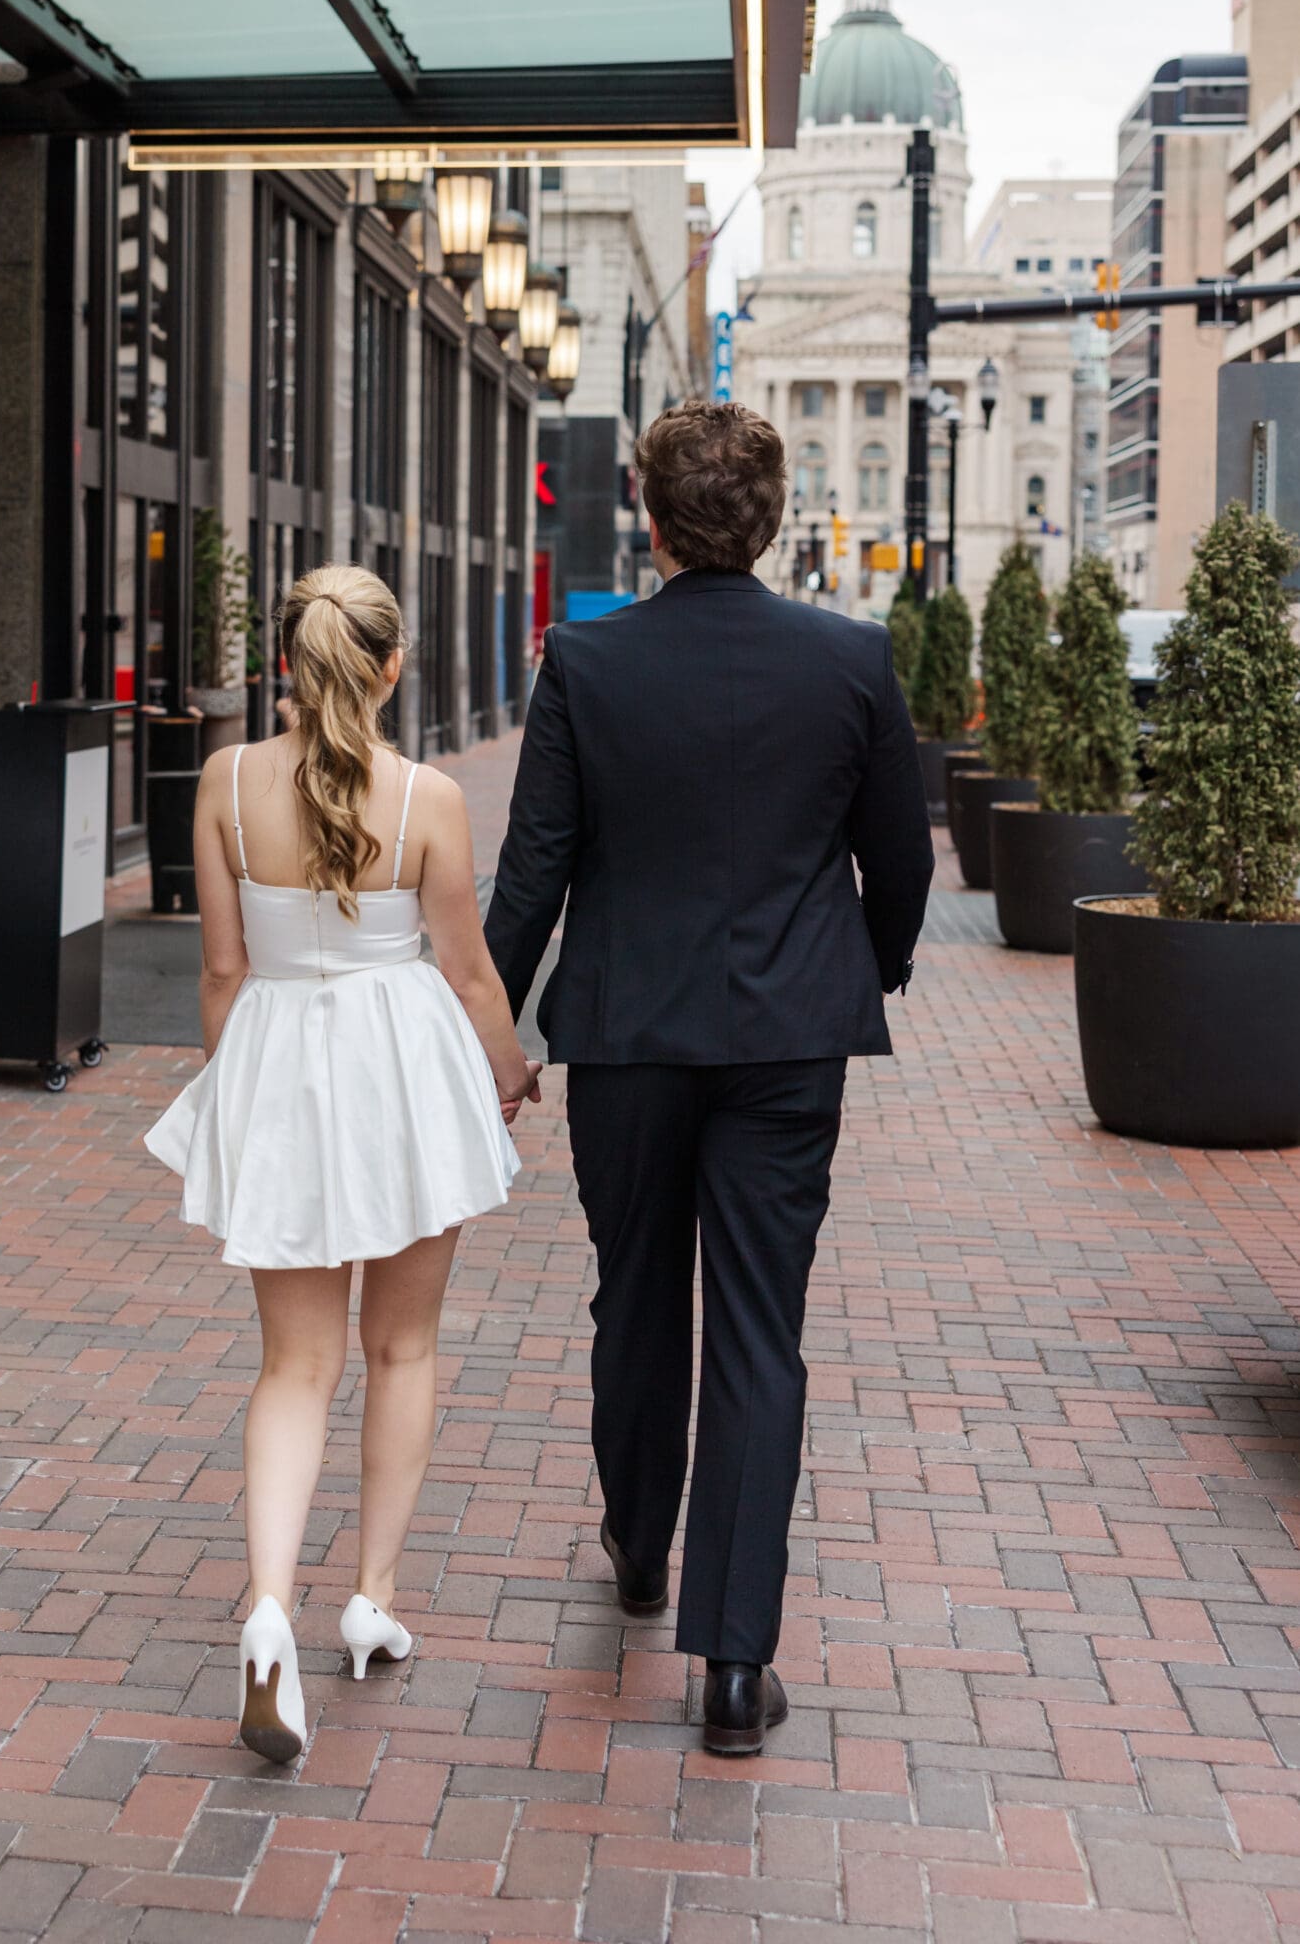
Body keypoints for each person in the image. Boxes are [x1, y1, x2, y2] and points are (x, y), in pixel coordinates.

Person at [484, 400, 933, 1757]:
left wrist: (481, 1028)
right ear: (774, 516)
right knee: (755, 1326)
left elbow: (533, 868)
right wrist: (864, 968)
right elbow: (899, 857)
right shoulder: (849, 659)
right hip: (787, 1040)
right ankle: (734, 1667)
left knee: (633, 1291)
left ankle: (637, 1545)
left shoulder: (586, 662)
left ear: (648, 512)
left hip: (625, 1035)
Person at [145, 565, 539, 1764]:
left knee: (293, 1364)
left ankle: (268, 1608)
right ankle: (370, 1598)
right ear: (390, 666)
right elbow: (467, 971)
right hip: (404, 1072)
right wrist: (509, 1072)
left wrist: (237, 1095)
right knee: (400, 1348)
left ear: (286, 659)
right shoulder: (427, 798)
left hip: (278, 1057)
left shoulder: (225, 781)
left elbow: (222, 970)